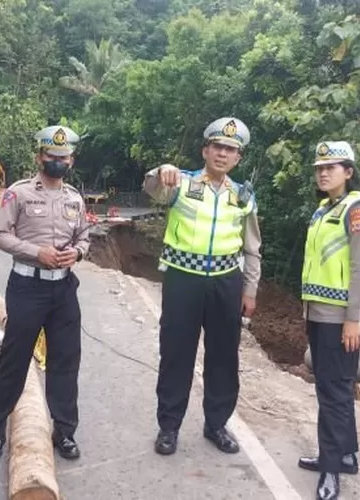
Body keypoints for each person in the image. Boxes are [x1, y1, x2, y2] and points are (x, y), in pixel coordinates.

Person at [142, 117, 262, 456]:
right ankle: (168, 426)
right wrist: (161, 169)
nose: (223, 153)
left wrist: (250, 291)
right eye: (217, 147)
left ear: (238, 157)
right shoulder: (181, 182)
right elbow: (152, 188)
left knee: (223, 356)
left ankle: (216, 424)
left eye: (231, 149)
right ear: (205, 150)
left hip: (226, 282)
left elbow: (252, 248)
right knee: (176, 352)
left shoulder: (243, 196)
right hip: (184, 279)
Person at [0, 125, 90, 461]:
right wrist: (35, 251)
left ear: (71, 160)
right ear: (39, 156)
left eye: (64, 157)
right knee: (14, 361)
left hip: (64, 289)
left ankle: (65, 431)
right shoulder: (18, 193)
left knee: (65, 361)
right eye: (51, 156)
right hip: (27, 287)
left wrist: (79, 253)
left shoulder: (74, 197)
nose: (57, 161)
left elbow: (84, 236)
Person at [298, 141, 360, 500]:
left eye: (332, 167)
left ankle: (331, 469)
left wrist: (354, 319)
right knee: (333, 388)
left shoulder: (356, 209)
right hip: (317, 312)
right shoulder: (322, 210)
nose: (324, 172)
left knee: (333, 394)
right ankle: (345, 454)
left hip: (339, 318)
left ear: (348, 172)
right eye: (319, 168)